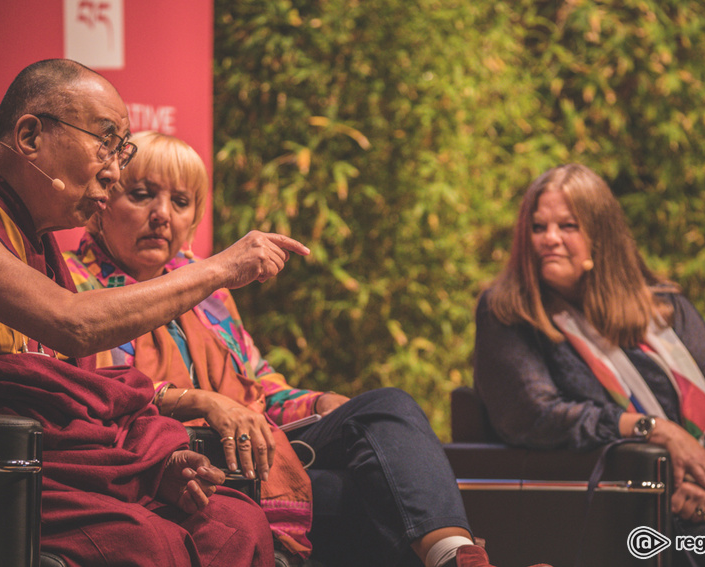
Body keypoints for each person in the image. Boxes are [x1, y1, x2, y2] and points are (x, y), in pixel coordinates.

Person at [63, 131, 551, 567]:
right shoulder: (74, 284)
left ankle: (457, 560)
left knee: (387, 408)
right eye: (142, 195)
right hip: (173, 464)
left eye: (181, 202)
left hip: (252, 451)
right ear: (102, 202)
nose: (161, 215)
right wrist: (204, 401)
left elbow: (262, 387)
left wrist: (318, 405)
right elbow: (101, 395)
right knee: (374, 498)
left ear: (193, 220)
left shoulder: (207, 290)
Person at [0, 59, 310, 566]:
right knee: (148, 544)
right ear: (31, 135)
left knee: (233, 524)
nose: (113, 170)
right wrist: (217, 268)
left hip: (62, 461)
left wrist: (155, 461)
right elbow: (72, 324)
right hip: (5, 466)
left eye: (120, 151)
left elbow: (77, 388)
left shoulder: (33, 237)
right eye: (105, 143)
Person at [474, 163, 705, 567]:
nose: (549, 239)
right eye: (537, 227)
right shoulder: (510, 313)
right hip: (628, 508)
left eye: (568, 226)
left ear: (601, 235)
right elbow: (534, 413)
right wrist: (655, 431)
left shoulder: (665, 308)